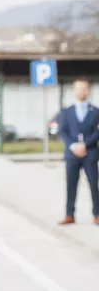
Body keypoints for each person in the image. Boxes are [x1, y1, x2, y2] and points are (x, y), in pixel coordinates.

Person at [56, 78, 99, 225]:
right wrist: (73, 146)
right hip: (72, 155)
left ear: (88, 90)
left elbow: (97, 131)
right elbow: (62, 131)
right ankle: (69, 214)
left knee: (94, 184)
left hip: (90, 153)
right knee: (71, 184)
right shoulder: (66, 112)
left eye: (84, 88)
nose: (81, 91)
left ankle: (97, 213)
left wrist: (85, 145)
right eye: (78, 88)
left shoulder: (96, 111)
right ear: (74, 91)